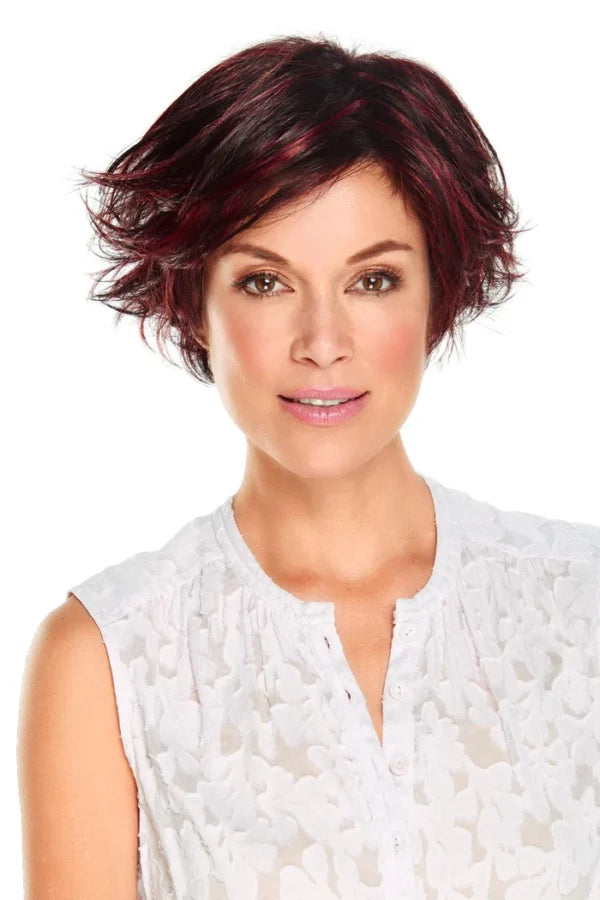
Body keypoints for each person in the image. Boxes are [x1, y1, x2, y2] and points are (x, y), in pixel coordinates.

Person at [17, 33, 600, 900]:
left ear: (438, 294)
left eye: (373, 281)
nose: (322, 343)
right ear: (196, 303)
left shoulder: (582, 601)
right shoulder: (109, 656)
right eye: (265, 281)